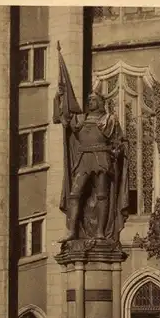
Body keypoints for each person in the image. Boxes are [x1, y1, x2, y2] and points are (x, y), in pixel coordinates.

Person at [53, 44, 129, 243]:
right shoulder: (81, 119)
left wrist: (116, 151)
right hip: (83, 160)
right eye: (88, 99)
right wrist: (60, 96)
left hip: (102, 160)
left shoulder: (109, 120)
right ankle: (71, 231)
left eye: (93, 99)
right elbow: (63, 119)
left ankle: (100, 233)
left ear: (101, 102)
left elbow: (120, 141)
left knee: (103, 195)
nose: (90, 101)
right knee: (75, 193)